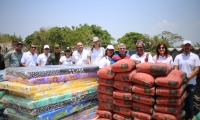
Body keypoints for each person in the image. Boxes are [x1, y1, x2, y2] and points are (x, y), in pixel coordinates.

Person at [174, 40, 200, 120]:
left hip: (191, 84)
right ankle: (180, 117)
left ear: (191, 47)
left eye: (188, 45)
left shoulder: (195, 57)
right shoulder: (178, 57)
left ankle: (189, 117)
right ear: (182, 46)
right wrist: (181, 80)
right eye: (185, 45)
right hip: (180, 84)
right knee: (179, 102)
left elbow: (197, 70)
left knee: (189, 102)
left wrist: (187, 79)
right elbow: (175, 69)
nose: (187, 47)